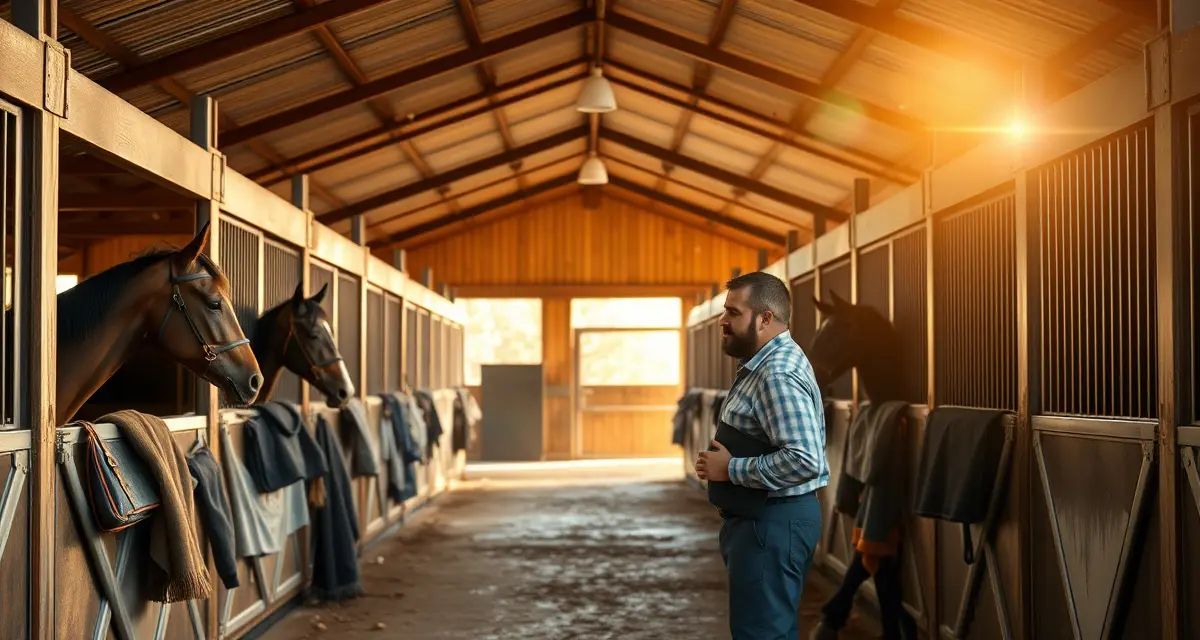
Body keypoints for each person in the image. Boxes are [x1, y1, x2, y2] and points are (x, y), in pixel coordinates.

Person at [695, 271, 828, 640]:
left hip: (771, 523)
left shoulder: (776, 373)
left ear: (765, 318)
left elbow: (805, 458)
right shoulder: (767, 363)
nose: (723, 321)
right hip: (765, 522)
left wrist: (731, 469)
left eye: (733, 313)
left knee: (762, 634)